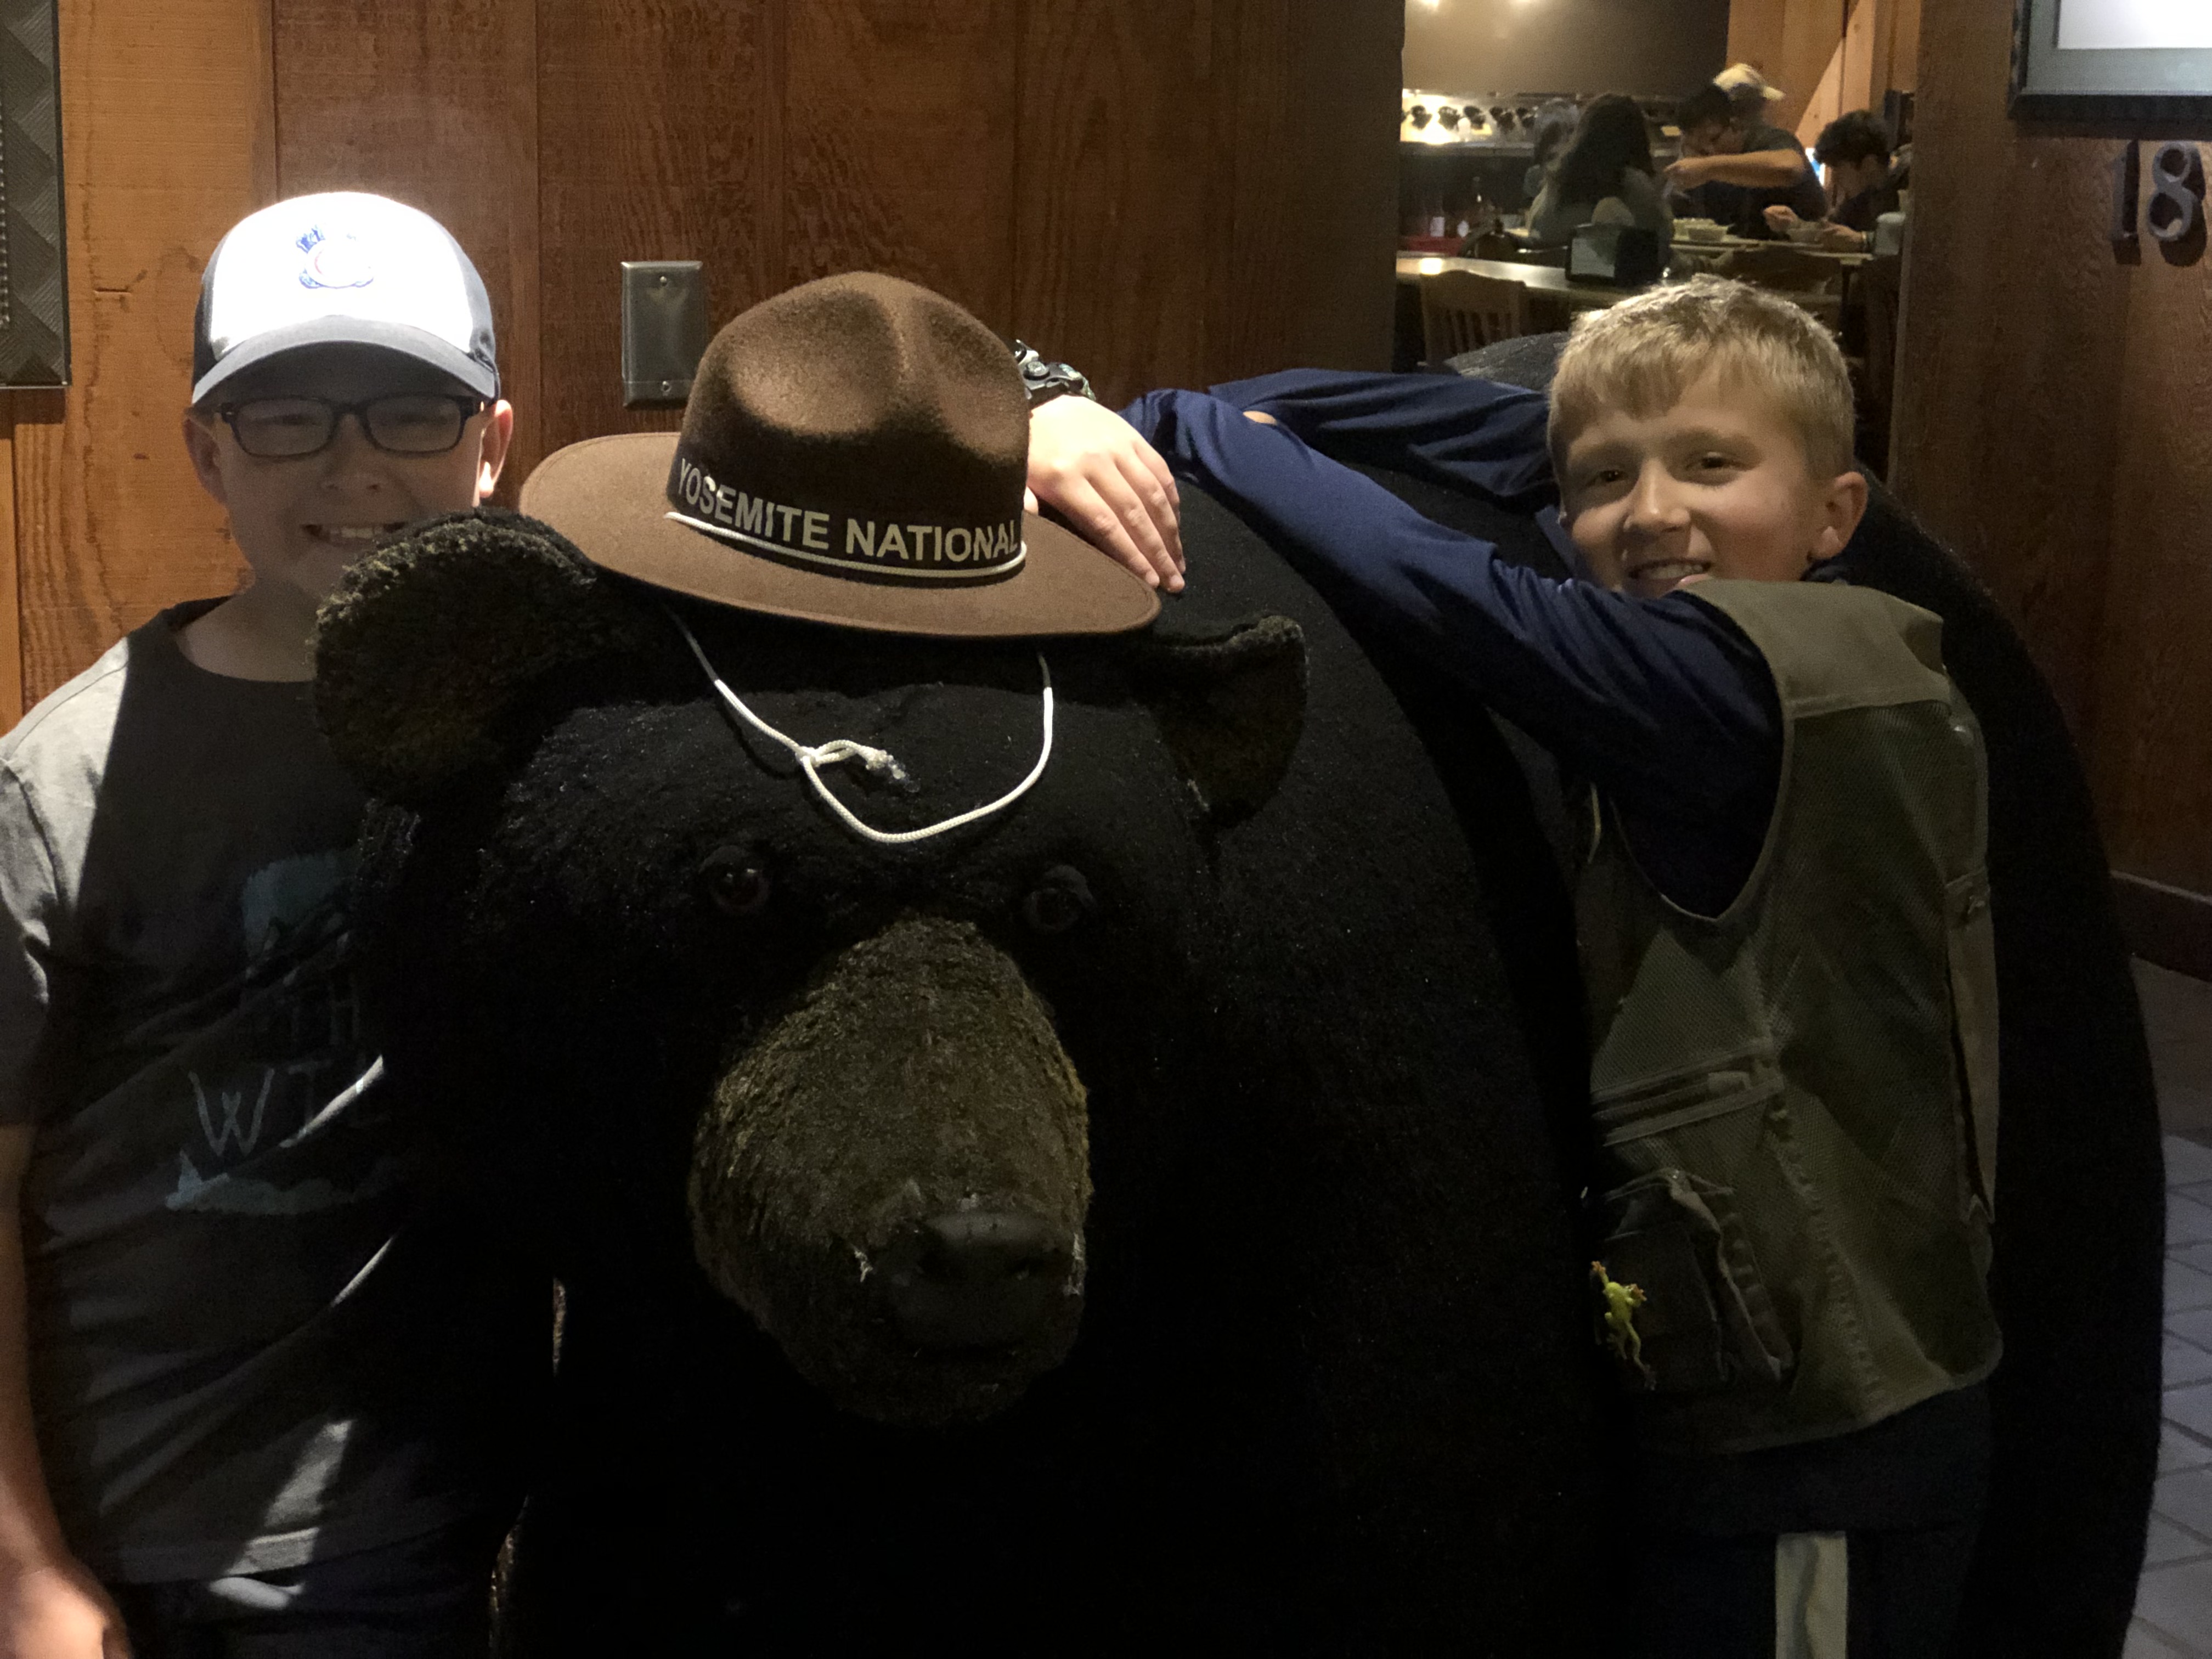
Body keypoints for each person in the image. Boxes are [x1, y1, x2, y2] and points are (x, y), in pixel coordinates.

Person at [0, 191, 1182, 1658]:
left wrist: (1037, 416)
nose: (354, 465)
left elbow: (819, 441)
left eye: (410, 413)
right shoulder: (66, 782)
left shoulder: (548, 724)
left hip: (432, 1491)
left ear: (493, 441)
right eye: (287, 416)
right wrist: (25, 1561)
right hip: (147, 1497)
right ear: (206, 448)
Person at [1116, 277, 2000, 1657]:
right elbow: (1550, 455)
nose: (1653, 515)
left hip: (1815, 1437)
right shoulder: (1848, 638)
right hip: (1821, 1359)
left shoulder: (1712, 692)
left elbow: (1440, 584)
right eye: (1602, 479)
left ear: (1838, 513)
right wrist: (1595, 444)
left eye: (1711, 465)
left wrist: (1175, 423)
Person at [1666, 81, 1827, 238]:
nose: (1709, 152)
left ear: (1735, 125)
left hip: (1805, 249)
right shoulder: (1710, 174)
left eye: (1714, 139)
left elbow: (1789, 168)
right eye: (1699, 148)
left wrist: (1708, 168)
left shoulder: (1769, 139)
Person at [1526, 94, 1673, 249]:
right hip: (1600, 264)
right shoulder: (1632, 183)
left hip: (1548, 262)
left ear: (1582, 132)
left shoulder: (1556, 181)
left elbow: (1538, 231)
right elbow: (1663, 239)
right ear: (1638, 139)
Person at [1765, 110, 1903, 251]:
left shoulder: (1909, 179)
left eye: (1838, 169)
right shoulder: (1861, 195)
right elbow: (1833, 231)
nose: (1835, 179)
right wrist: (1795, 226)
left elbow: (1913, 240)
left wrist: (1864, 241)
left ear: (1869, 164)